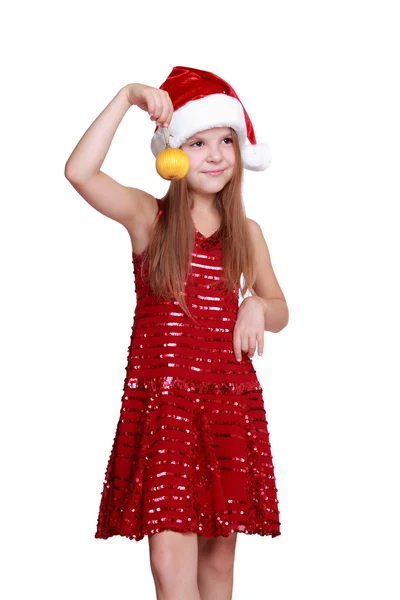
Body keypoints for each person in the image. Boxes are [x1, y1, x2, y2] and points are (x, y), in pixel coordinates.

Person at [65, 65, 289, 600]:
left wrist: (257, 306)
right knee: (171, 566)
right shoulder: (151, 219)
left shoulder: (246, 232)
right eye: (198, 142)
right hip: (166, 409)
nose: (214, 155)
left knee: (217, 571)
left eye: (226, 142)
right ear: (171, 150)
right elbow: (79, 172)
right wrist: (126, 97)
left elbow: (281, 308)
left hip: (226, 406)